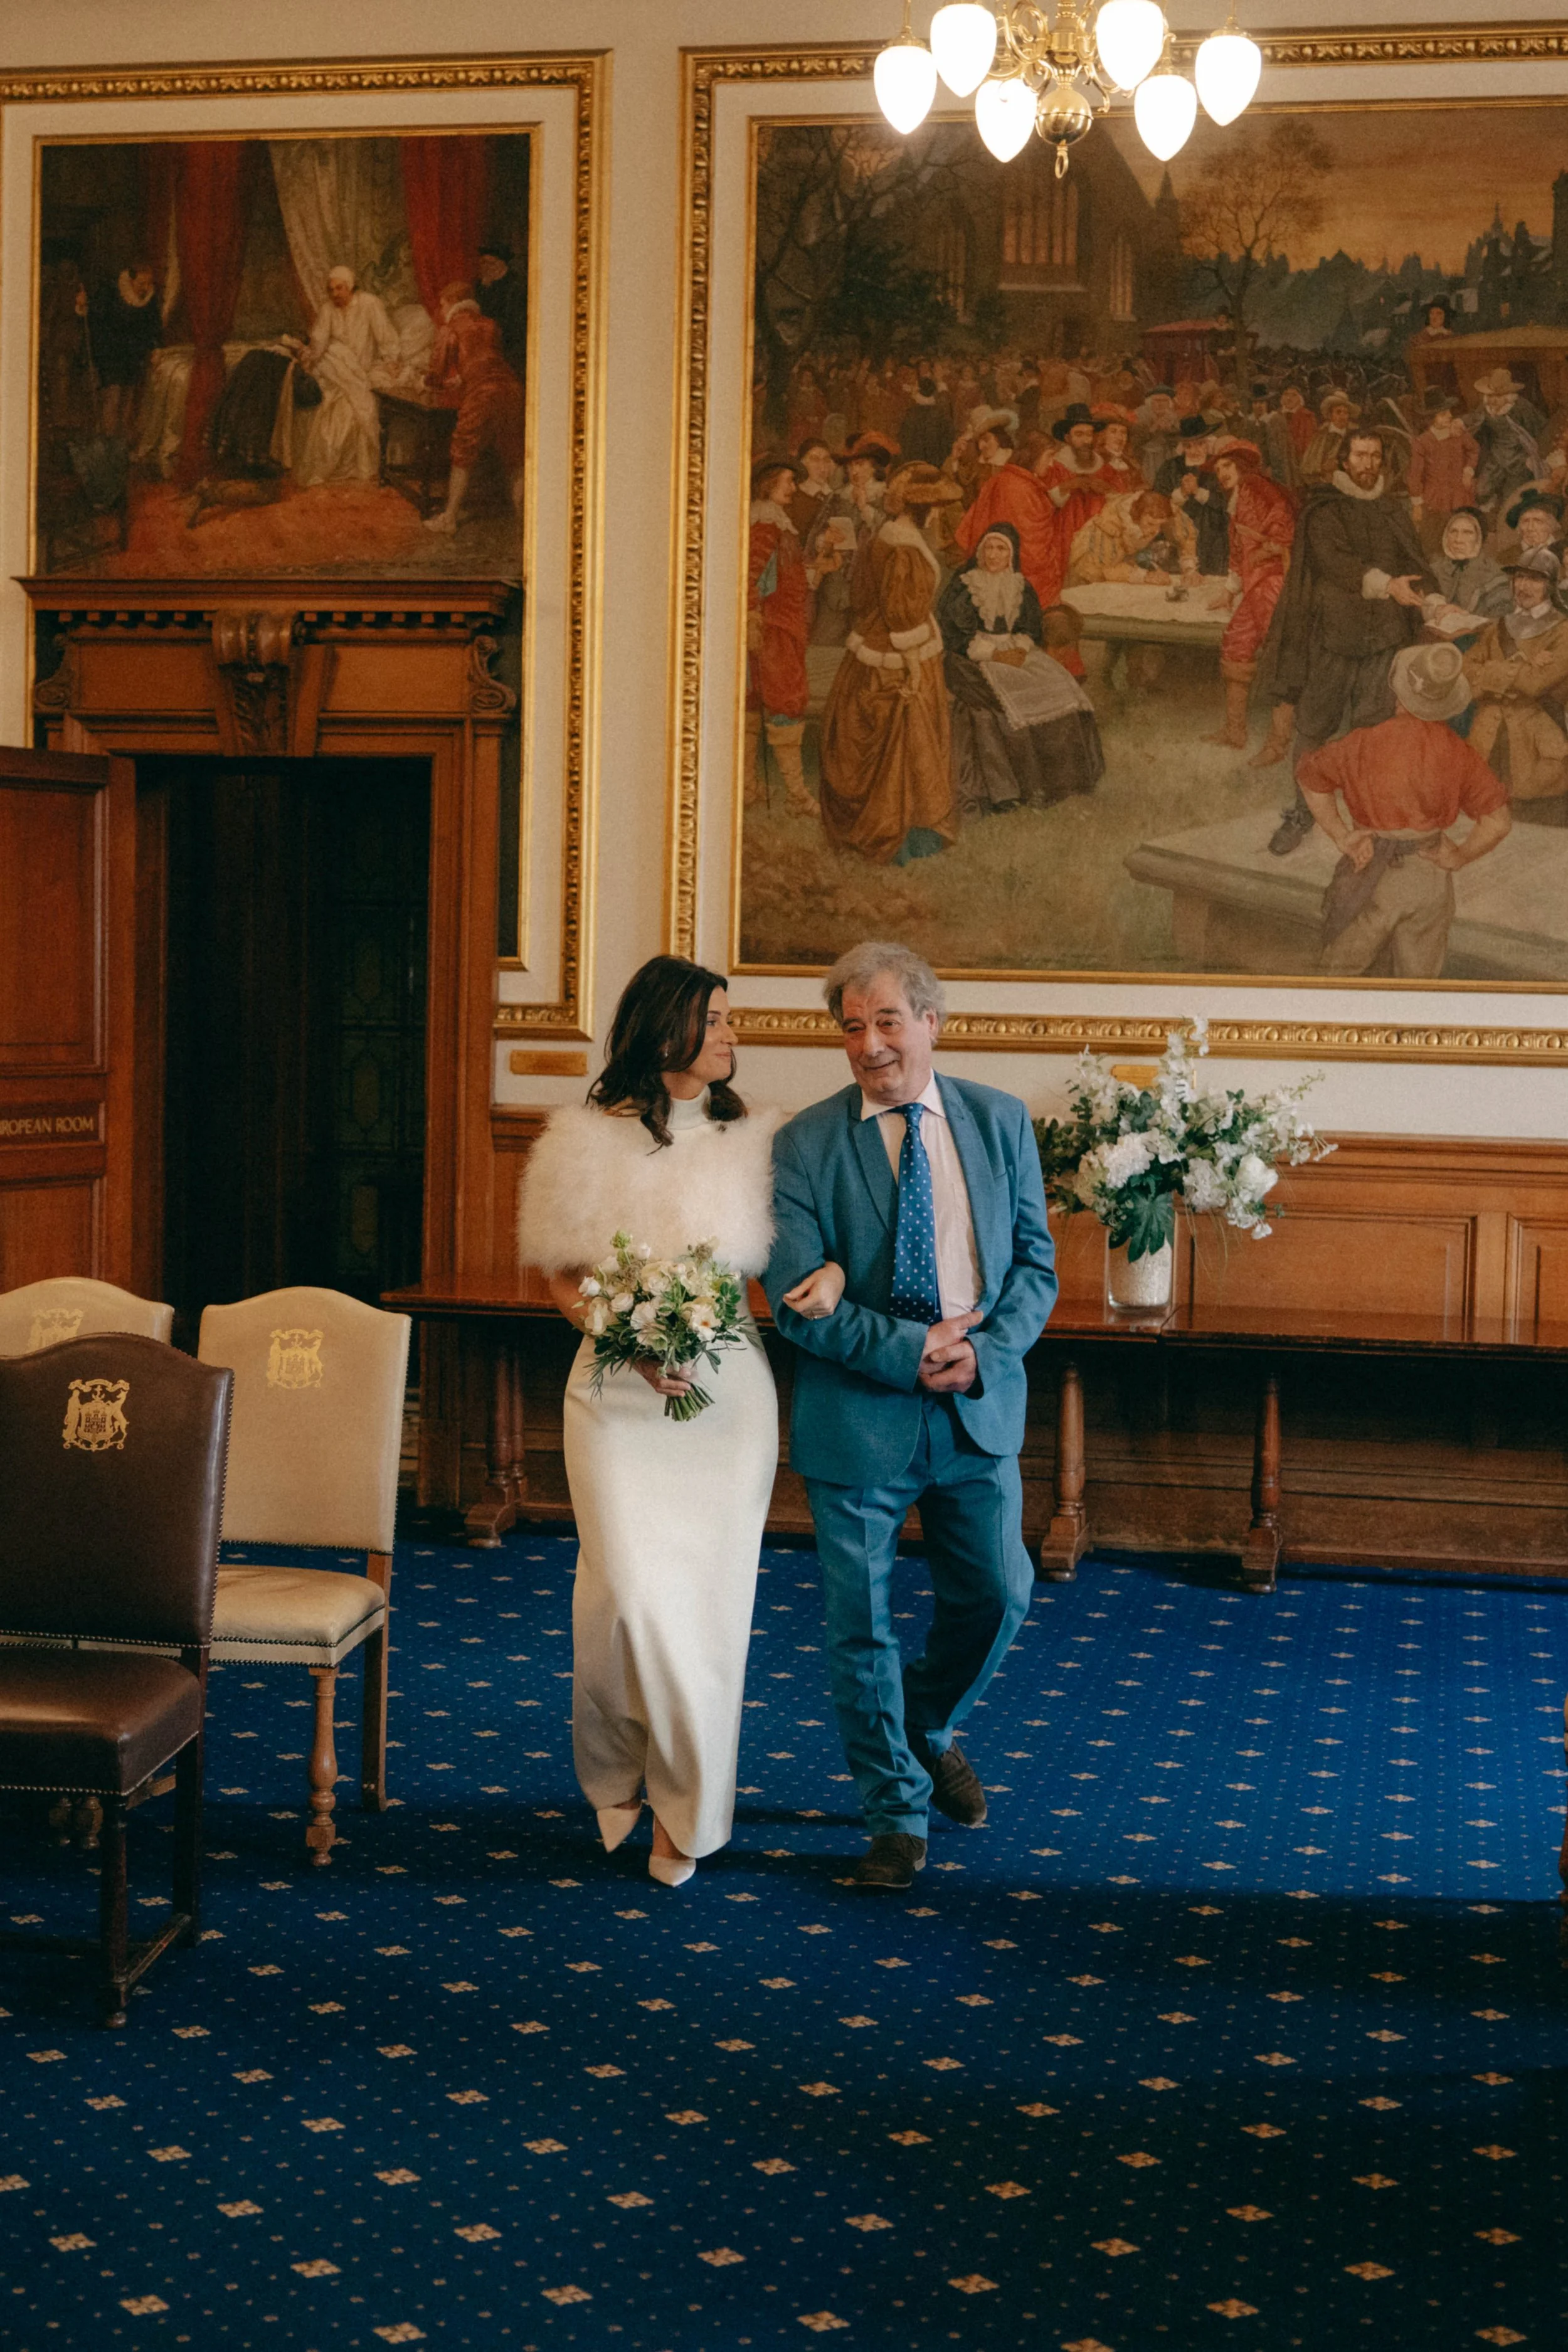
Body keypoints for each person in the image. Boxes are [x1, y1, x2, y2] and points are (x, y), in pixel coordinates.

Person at [518, 956, 844, 1887]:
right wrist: (627, 1340)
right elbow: (561, 1276)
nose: (734, 1035)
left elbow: (811, 1252)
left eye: (732, 1020)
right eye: (718, 1020)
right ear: (667, 1030)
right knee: (623, 1600)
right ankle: (617, 1768)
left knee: (705, 1610)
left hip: (726, 1398)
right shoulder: (582, 1140)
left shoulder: (759, 1140)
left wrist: (833, 1275)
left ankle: (688, 1810)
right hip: (615, 1399)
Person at [763, 941, 1057, 1893]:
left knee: (1000, 1595)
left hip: (977, 1408)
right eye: (852, 1027)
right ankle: (893, 1810)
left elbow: (1036, 1269)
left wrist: (984, 1354)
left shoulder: (1000, 1121)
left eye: (888, 1021)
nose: (870, 1045)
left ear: (931, 1022)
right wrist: (910, 1350)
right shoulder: (803, 1144)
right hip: (858, 1415)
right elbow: (794, 1299)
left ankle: (925, 1722)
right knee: (862, 1628)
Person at [1257, 426, 1433, 844]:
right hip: (1333, 637)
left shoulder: (1391, 509)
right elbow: (1335, 563)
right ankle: (1303, 813)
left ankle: (1370, 818)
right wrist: (1389, 586)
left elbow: (1414, 562)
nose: (1368, 464)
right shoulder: (1324, 509)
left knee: (1375, 730)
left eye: (1374, 457)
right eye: (1360, 456)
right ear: (1343, 460)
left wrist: (1435, 598)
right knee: (1314, 727)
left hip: (1385, 638)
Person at [1298, 642, 1511, 976]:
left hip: (1371, 869)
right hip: (1429, 877)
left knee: (1341, 973)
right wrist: (1459, 856)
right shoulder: (1459, 753)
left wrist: (1342, 835)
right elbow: (1498, 822)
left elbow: (1310, 779)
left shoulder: (1361, 742)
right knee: (1418, 980)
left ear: (1398, 692)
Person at [818, 460, 959, 864]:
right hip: (898, 657)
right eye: (935, 508)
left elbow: (865, 598)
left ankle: (899, 831)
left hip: (872, 648)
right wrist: (913, 667)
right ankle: (902, 837)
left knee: (892, 744)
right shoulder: (904, 548)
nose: (938, 515)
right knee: (907, 743)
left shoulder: (884, 536)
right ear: (921, 509)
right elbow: (902, 615)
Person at [937, 522, 1103, 816]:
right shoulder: (965, 585)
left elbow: (1029, 627)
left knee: (1060, 684)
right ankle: (1024, 787)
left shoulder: (1020, 586)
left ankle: (1066, 781)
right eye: (989, 548)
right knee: (1005, 699)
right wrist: (994, 654)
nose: (993, 555)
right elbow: (955, 635)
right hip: (971, 657)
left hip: (1014, 649)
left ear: (1011, 554)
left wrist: (1020, 649)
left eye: (1001, 549)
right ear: (980, 551)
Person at [1203, 443, 1298, 750]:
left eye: (1227, 466)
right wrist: (1230, 591)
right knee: (1236, 645)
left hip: (1272, 584)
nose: (1221, 474)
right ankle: (1235, 732)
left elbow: (1285, 525)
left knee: (1280, 655)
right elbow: (1237, 551)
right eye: (1218, 470)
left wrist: (1267, 550)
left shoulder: (1256, 488)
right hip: (1255, 585)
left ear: (1242, 466)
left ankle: (1279, 742)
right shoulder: (1238, 499)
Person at [1462, 548, 1568, 815]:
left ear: (1550, 585)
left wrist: (1489, 674)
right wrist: (1523, 666)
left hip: (1534, 745)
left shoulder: (1563, 630)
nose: (1523, 586)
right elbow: (1466, 669)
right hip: (1485, 739)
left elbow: (1535, 684)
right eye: (1520, 577)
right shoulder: (1497, 626)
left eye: (1535, 579)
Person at [745, 454, 820, 815]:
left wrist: (820, 565)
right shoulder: (764, 525)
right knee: (784, 701)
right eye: (788, 481)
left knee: (760, 701)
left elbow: (787, 576)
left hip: (783, 625)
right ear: (769, 484)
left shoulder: (776, 522)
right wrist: (751, 619)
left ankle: (749, 786)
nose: (793, 487)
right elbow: (749, 576)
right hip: (773, 629)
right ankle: (795, 795)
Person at [421, 280, 527, 533]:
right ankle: (525, 522)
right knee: (514, 453)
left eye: (443, 304)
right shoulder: (490, 325)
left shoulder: (451, 328)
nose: (441, 310)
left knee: (463, 451)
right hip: (512, 389)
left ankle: (449, 518)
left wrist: (426, 381)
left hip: (483, 393)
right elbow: (488, 361)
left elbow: (436, 372)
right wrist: (463, 378)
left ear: (452, 303)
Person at [295, 263, 401, 487]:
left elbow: (385, 335)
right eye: (331, 290)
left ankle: (362, 465)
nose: (335, 294)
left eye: (339, 288)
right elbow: (320, 342)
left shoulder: (370, 304)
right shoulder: (327, 310)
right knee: (329, 404)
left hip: (362, 368)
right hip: (336, 368)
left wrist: (391, 360)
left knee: (351, 408)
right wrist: (309, 359)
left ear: (350, 287)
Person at [89, 258, 161, 440]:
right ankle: (108, 439)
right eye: (141, 283)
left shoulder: (150, 299)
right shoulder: (112, 293)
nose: (146, 288)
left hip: (134, 356)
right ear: (131, 280)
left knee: (128, 400)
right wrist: (83, 306)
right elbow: (96, 319)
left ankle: (121, 442)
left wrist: (155, 348)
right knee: (113, 398)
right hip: (112, 355)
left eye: (149, 283)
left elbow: (154, 326)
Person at [1407, 391, 1479, 553]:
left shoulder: (1458, 434)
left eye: (1449, 412)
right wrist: (1417, 505)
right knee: (1435, 539)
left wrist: (1468, 470)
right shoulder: (1422, 442)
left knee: (1462, 534)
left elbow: (1474, 449)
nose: (1450, 416)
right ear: (1431, 419)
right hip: (1436, 499)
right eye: (1443, 414)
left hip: (1461, 495)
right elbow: (1415, 475)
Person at [475, 240, 527, 378]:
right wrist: (485, 289)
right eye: (482, 263)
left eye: (489, 263)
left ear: (501, 264)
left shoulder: (516, 286)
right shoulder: (481, 285)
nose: (485, 268)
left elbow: (514, 322)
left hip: (510, 345)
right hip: (488, 341)